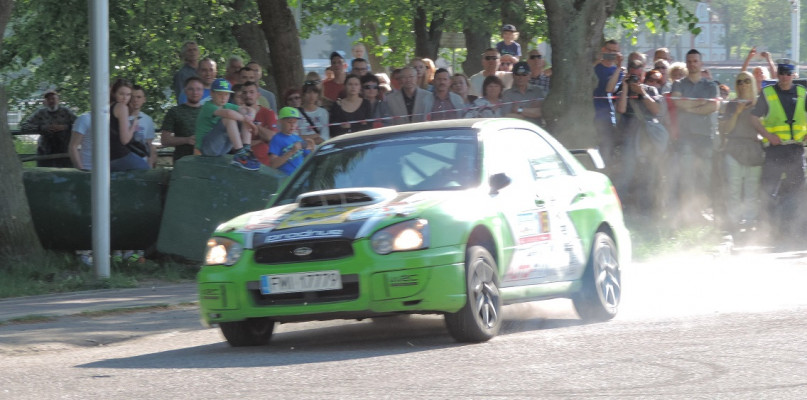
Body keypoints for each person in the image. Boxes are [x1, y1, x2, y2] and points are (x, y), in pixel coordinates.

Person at [750, 61, 807, 237]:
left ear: (793, 75)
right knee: (768, 190)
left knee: (796, 190)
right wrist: (768, 136)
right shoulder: (767, 93)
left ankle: (793, 229)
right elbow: (753, 118)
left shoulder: (802, 92)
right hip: (775, 150)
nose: (784, 77)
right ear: (777, 74)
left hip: (795, 149)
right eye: (781, 73)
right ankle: (767, 230)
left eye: (788, 73)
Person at [671, 49, 720, 221]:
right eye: (689, 61)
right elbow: (678, 103)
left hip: (705, 136)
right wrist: (700, 104)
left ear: (701, 63)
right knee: (687, 176)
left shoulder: (710, 85)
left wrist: (690, 107)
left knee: (704, 177)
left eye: (695, 61)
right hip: (685, 137)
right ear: (686, 63)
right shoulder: (678, 84)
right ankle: (686, 213)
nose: (692, 64)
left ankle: (701, 211)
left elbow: (713, 107)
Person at [614, 59, 665, 213]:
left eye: (638, 75)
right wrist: (625, 87)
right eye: (632, 76)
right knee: (627, 171)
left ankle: (646, 209)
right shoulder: (622, 89)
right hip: (628, 135)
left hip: (646, 136)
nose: (635, 79)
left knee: (648, 172)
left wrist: (642, 92)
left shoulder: (650, 90)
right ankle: (619, 207)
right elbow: (621, 109)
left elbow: (656, 110)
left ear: (643, 75)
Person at [720, 71, 763, 233]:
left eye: (746, 81)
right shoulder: (731, 104)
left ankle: (750, 222)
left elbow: (766, 125)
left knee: (752, 190)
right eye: (739, 81)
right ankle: (733, 222)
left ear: (752, 83)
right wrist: (737, 112)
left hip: (754, 150)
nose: (743, 84)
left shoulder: (760, 104)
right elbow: (726, 130)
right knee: (734, 189)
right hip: (734, 149)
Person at [195, 78, 260, 170]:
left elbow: (250, 109)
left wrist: (250, 116)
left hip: (223, 148)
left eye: (226, 94)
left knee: (245, 114)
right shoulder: (208, 106)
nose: (223, 97)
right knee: (229, 119)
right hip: (206, 148)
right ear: (212, 93)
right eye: (220, 94)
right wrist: (249, 122)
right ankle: (240, 153)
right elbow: (228, 113)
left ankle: (246, 149)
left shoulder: (227, 105)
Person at [20, 89, 76, 168]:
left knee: (67, 172)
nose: (51, 101)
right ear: (45, 101)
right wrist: (42, 128)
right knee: (44, 171)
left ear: (58, 100)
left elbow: (79, 124)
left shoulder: (66, 111)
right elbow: (24, 126)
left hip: (64, 149)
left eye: (53, 98)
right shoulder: (40, 113)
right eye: (48, 99)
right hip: (45, 150)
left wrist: (64, 127)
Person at [593, 39, 624, 166]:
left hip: (606, 117)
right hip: (589, 113)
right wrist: (597, 61)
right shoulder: (595, 66)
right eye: (609, 51)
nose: (611, 54)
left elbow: (609, 89)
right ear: (603, 50)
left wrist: (618, 67)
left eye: (615, 52)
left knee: (606, 151)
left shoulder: (618, 72)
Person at [161, 77, 204, 163]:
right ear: (185, 91)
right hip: (182, 161)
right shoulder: (175, 111)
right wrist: (187, 140)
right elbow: (164, 140)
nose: (195, 92)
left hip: (205, 161)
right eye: (191, 89)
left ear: (203, 91)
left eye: (198, 89)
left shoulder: (209, 111)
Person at [109, 79, 149, 171]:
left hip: (108, 156)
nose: (125, 98)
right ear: (114, 93)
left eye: (128, 95)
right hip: (120, 155)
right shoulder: (121, 107)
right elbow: (125, 140)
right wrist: (134, 124)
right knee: (147, 173)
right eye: (121, 94)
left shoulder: (109, 106)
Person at [268, 107, 316, 176]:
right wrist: (291, 151)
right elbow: (273, 165)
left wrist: (312, 148)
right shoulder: (276, 139)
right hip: (286, 179)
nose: (293, 125)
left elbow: (308, 158)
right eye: (289, 122)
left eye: (295, 122)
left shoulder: (297, 137)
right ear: (280, 121)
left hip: (300, 177)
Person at [241, 80, 279, 167]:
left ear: (258, 95)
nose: (248, 95)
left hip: (265, 163)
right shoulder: (238, 114)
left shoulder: (268, 113)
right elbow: (238, 145)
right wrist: (261, 139)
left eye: (251, 92)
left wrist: (255, 125)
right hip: (243, 162)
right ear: (242, 95)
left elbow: (272, 137)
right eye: (245, 92)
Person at [129, 85, 157, 168]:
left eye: (139, 97)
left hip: (142, 162)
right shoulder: (121, 117)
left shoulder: (148, 119)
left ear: (144, 99)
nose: (135, 100)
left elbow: (149, 144)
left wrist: (150, 163)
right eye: (132, 97)